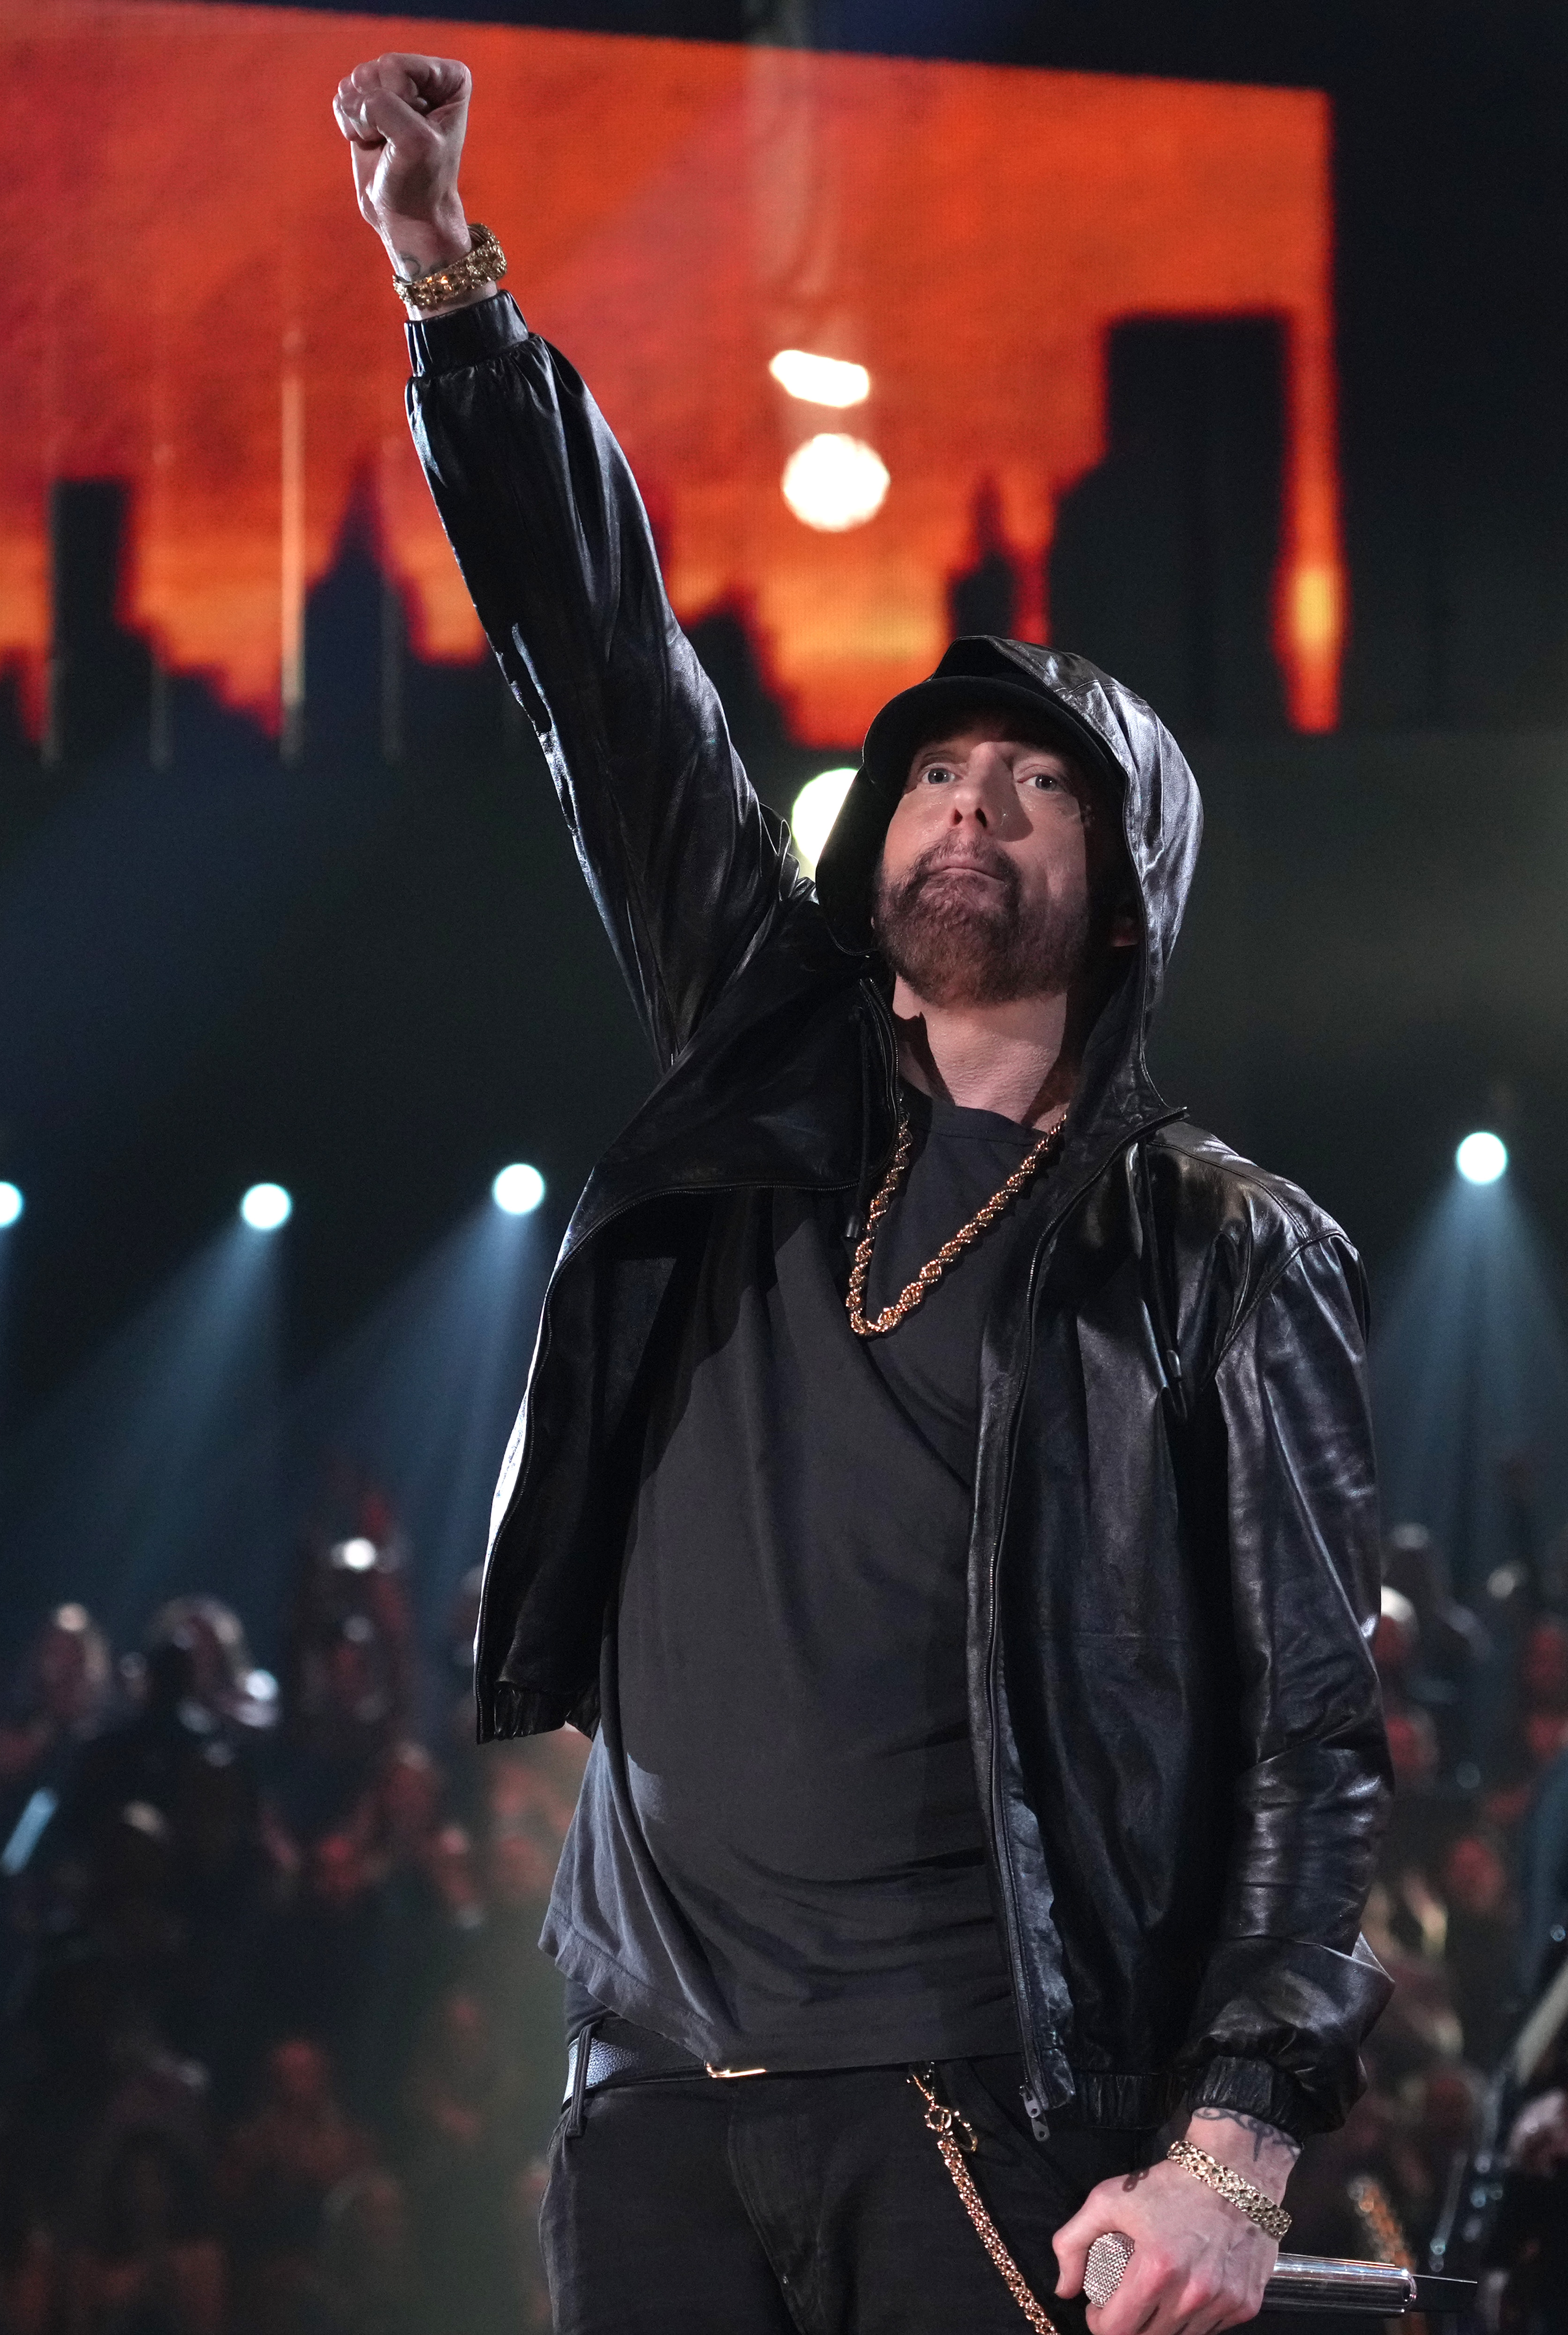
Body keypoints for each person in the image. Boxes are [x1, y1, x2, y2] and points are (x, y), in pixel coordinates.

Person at [334, 52, 1391, 2335]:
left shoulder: (1209, 1245)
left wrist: (1233, 2139)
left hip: (978, 2091)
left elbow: (1314, 1730)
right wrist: (450, 286)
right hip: (650, 2090)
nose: (969, 811)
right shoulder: (760, 1063)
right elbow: (596, 662)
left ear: (1124, 894)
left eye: (1035, 788)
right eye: (937, 773)